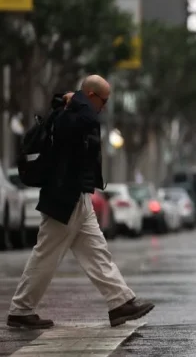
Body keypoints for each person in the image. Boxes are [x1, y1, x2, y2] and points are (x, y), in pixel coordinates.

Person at [6, 75, 154, 329]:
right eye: (103, 100)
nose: (104, 107)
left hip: (77, 196)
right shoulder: (69, 116)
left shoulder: (75, 111)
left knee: (97, 253)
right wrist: (79, 100)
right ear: (91, 96)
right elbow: (90, 119)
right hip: (64, 196)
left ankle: (120, 302)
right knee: (46, 255)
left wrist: (79, 100)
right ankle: (20, 310)